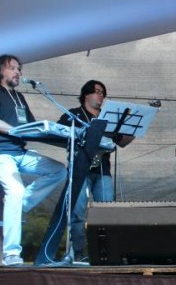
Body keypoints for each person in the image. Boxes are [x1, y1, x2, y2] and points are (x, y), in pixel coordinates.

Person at [0, 54, 67, 266]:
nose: (18, 72)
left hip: (19, 153)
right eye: (12, 68)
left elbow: (33, 129)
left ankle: (20, 205)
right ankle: (11, 255)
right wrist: (18, 131)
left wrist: (60, 134)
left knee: (59, 170)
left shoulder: (20, 97)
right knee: (15, 190)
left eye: (19, 69)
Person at [35, 80, 134, 265]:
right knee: (78, 212)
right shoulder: (74, 114)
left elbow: (123, 142)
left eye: (103, 92)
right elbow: (59, 132)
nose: (101, 95)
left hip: (102, 169)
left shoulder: (108, 118)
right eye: (97, 91)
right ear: (86, 95)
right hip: (80, 169)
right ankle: (78, 252)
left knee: (107, 211)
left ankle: (107, 252)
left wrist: (133, 128)